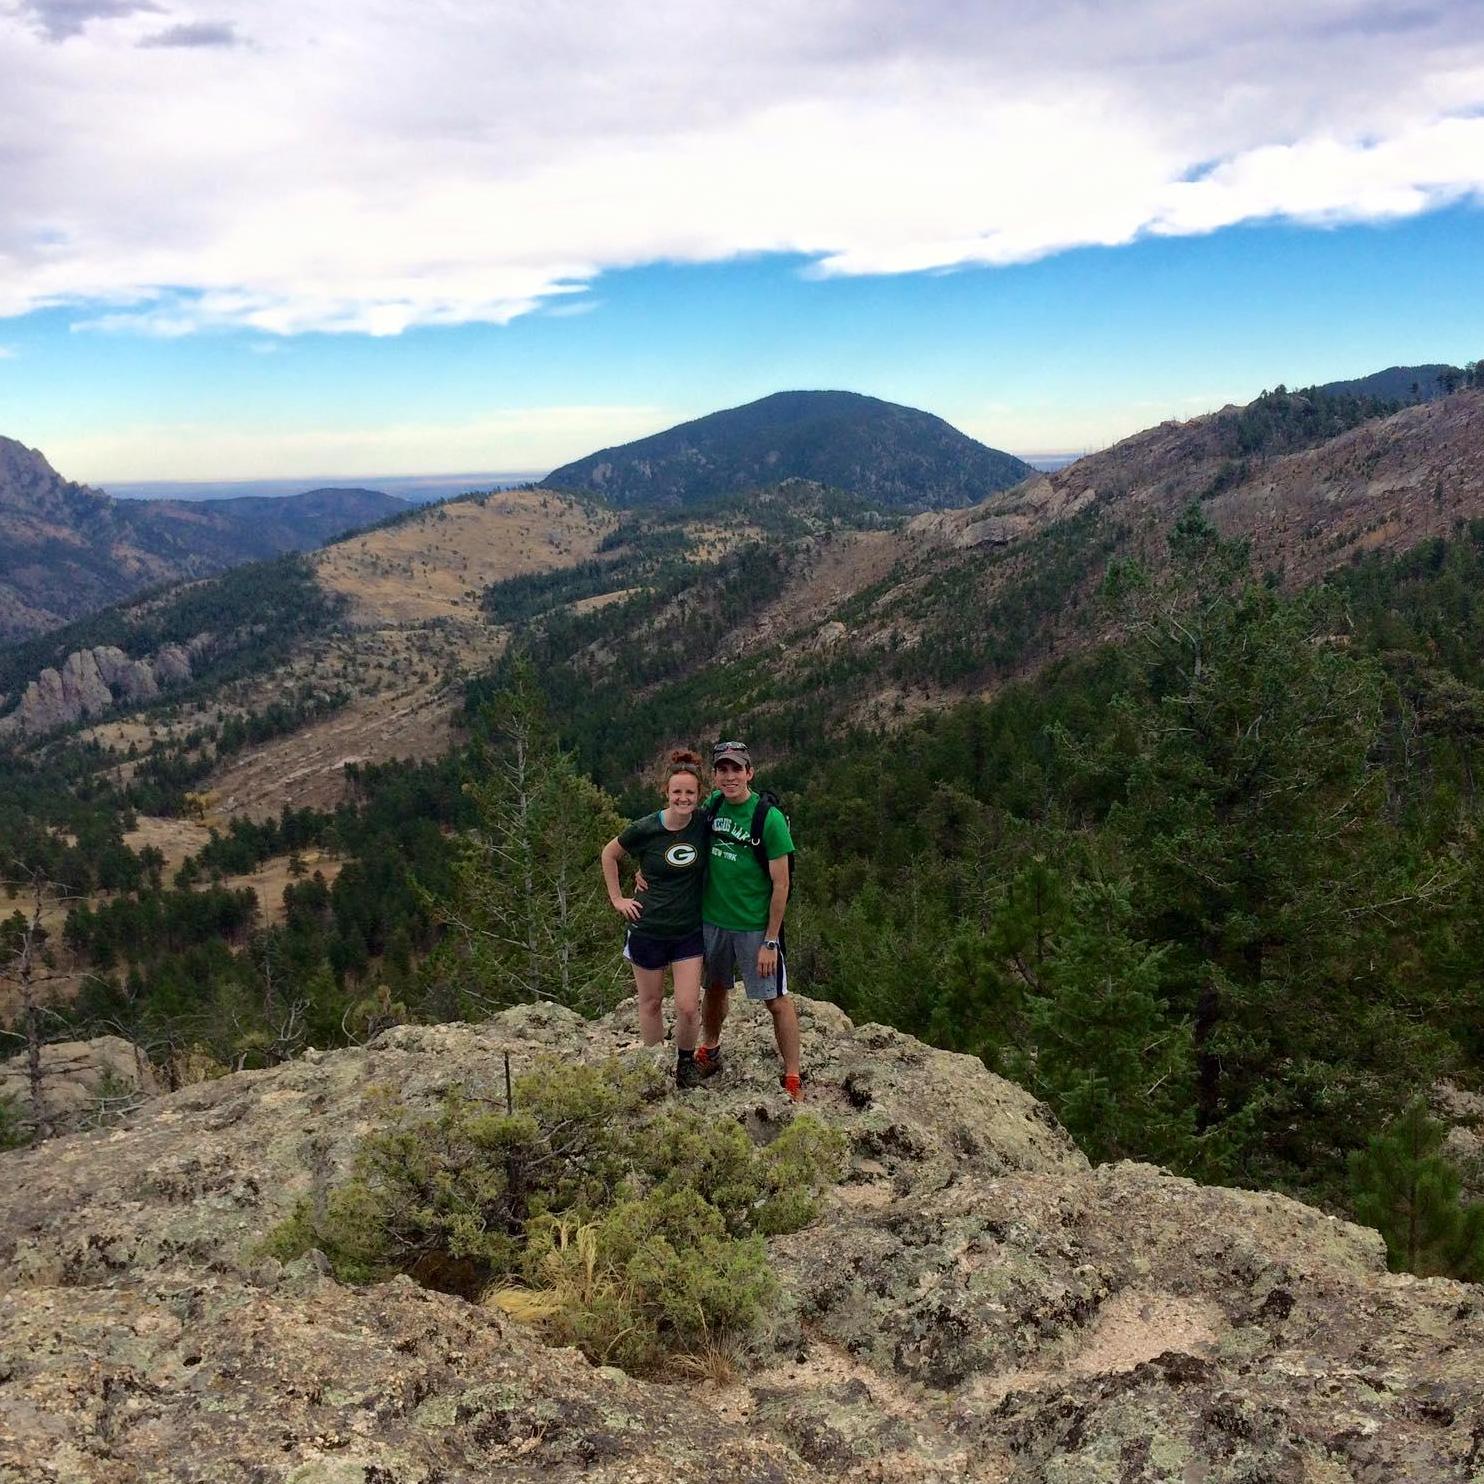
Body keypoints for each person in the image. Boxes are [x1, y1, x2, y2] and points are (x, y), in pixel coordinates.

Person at [694, 739, 802, 1101]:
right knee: (715, 988)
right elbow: (676, 830)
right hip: (713, 920)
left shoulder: (767, 818)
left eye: (736, 769)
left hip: (754, 927)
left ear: (750, 772)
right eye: (722, 769)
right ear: (714, 775)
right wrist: (647, 869)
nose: (729, 776)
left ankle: (792, 1074)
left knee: (776, 1000)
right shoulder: (712, 807)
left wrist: (771, 941)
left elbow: (781, 884)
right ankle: (710, 1047)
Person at [599, 750, 711, 1088]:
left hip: (687, 930)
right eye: (677, 791)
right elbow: (609, 853)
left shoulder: (704, 823)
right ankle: (654, 1064)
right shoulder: (646, 828)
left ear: (698, 795)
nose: (683, 798)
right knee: (649, 1003)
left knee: (688, 1006)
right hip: (648, 929)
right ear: (666, 791)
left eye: (689, 792)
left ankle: (685, 1062)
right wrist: (618, 898)